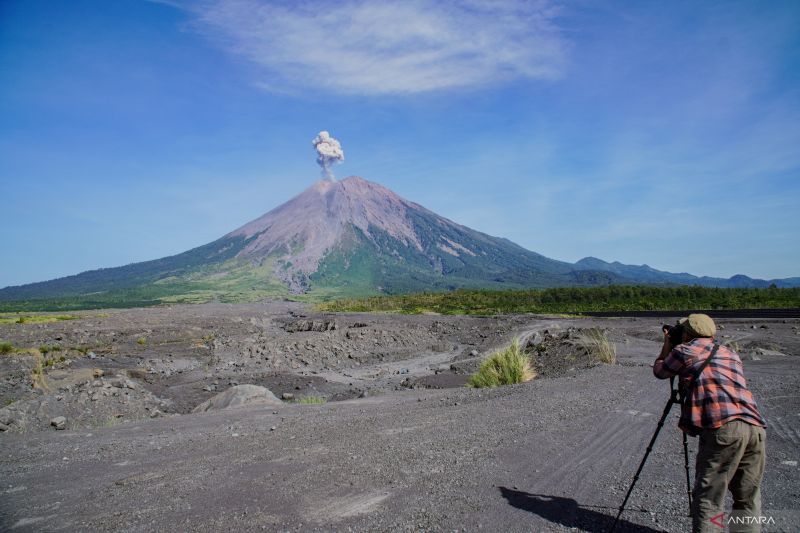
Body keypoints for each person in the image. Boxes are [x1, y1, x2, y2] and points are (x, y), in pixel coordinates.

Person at [653, 313, 767, 533]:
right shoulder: (729, 353)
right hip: (755, 427)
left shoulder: (684, 351)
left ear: (687, 333)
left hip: (723, 428)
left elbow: (660, 371)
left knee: (710, 499)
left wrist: (667, 344)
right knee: (747, 500)